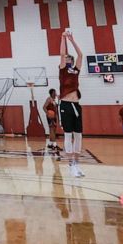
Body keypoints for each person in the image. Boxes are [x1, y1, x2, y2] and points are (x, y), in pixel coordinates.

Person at [58, 30, 85, 177]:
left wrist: (72, 40)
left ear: (72, 61)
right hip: (66, 105)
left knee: (78, 135)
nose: (66, 58)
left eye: (69, 57)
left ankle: (77, 164)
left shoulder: (75, 70)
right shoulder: (63, 71)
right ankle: (70, 165)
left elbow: (81, 55)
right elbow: (62, 54)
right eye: (65, 57)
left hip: (76, 105)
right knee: (68, 135)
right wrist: (63, 38)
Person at [42, 88, 60, 153]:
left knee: (54, 129)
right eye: (55, 92)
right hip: (50, 116)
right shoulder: (49, 99)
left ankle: (50, 144)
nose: (55, 93)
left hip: (54, 116)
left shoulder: (55, 100)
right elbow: (44, 107)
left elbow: (56, 109)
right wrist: (48, 113)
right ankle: (54, 144)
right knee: (52, 129)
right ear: (52, 93)